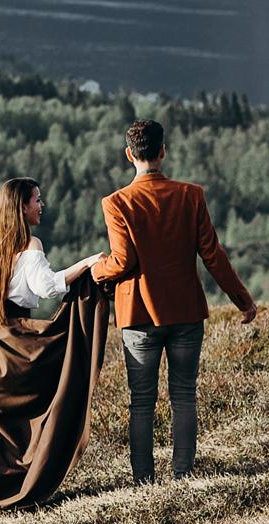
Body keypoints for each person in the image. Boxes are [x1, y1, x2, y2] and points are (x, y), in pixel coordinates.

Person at [88, 119, 257, 485]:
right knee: (184, 395)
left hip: (139, 315)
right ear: (163, 151)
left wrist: (94, 271)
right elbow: (212, 255)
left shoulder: (116, 203)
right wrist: (242, 300)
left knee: (142, 402)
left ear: (129, 155)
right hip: (185, 312)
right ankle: (183, 474)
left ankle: (143, 481)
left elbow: (122, 262)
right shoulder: (190, 195)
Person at [0, 178, 108, 513]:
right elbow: (49, 287)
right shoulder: (30, 246)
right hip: (12, 340)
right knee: (29, 412)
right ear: (22, 206)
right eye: (37, 200)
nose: (41, 206)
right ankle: (16, 486)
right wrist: (86, 264)